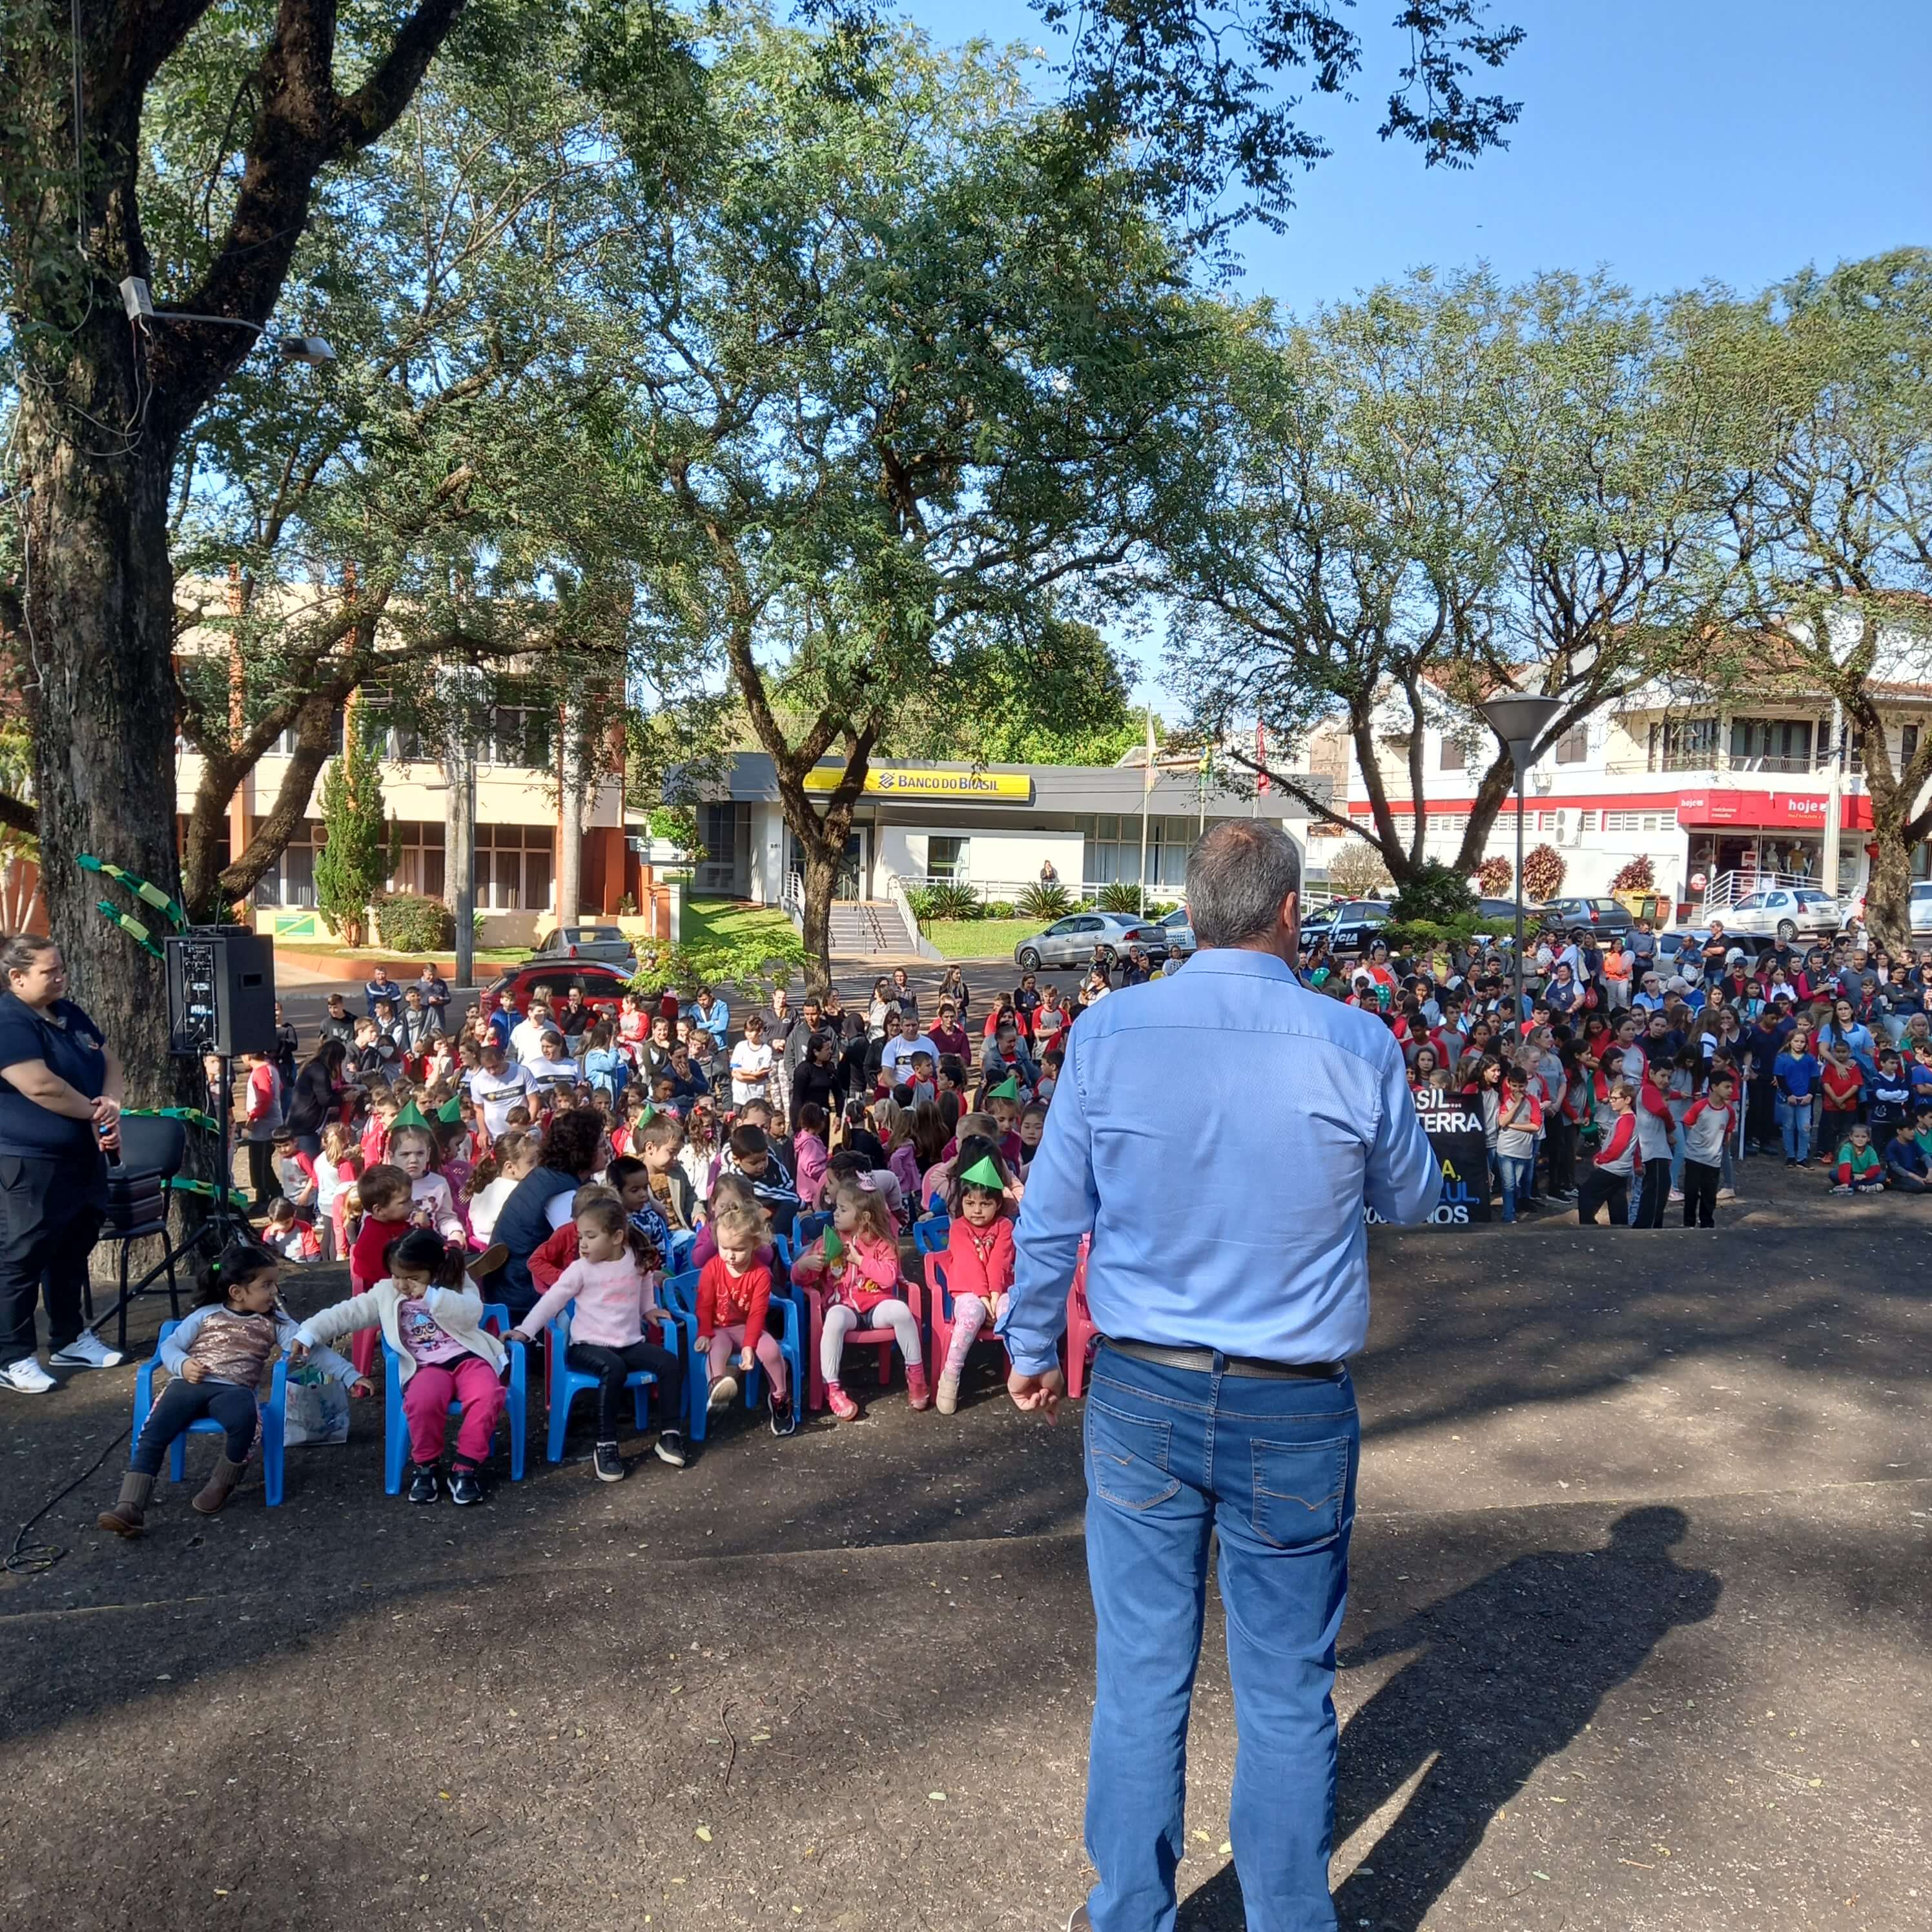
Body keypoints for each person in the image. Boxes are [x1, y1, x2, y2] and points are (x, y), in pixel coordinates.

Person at [999, 820, 1440, 1932]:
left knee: (1142, 1674)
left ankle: (1128, 1914)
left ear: (1189, 909)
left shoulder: (1109, 1031)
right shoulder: (1355, 1040)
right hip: (1291, 1402)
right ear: (1288, 911)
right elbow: (1413, 1197)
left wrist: (1033, 1343)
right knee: (1288, 1689)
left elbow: (1053, 1214)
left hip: (1142, 1390)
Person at [97, 1238, 367, 1534]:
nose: (275, 1292)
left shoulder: (276, 1323)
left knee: (247, 1422)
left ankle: (222, 1482)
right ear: (237, 1292)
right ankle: (131, 1504)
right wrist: (183, 1365)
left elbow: (312, 1349)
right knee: (155, 1430)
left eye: (275, 1284)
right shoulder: (205, 1315)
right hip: (188, 1384)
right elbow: (170, 1347)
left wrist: (349, 1375)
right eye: (266, 1286)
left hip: (234, 1390)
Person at [294, 1228, 509, 1505]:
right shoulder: (387, 1292)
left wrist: (433, 1296)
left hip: (468, 1357)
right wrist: (310, 1331)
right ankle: (427, 1465)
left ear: (435, 1271)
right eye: (397, 1276)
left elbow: (472, 1312)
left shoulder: (455, 1282)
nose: (404, 1285)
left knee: (488, 1394)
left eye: (413, 1278)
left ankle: (466, 1467)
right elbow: (348, 1312)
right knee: (422, 1402)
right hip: (425, 1365)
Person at [0, 934, 128, 1392]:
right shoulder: (9, 1020)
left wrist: (112, 1101)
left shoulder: (69, 1013)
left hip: (82, 1157)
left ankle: (69, 1337)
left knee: (73, 1248)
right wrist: (93, 1111)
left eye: (62, 969)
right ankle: (12, 1355)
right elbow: (39, 1085)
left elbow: (109, 1059)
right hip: (30, 1160)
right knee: (23, 1254)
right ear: (17, 978)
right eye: (48, 972)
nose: (60, 977)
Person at [507, 1193, 686, 1479]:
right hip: (586, 1346)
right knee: (612, 1369)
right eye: (581, 1237)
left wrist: (649, 1309)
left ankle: (669, 1435)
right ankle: (605, 1445)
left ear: (616, 1237)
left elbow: (644, 1281)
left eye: (590, 1237)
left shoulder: (634, 1258)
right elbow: (552, 1300)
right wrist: (525, 1331)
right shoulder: (580, 1270)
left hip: (627, 1343)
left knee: (669, 1363)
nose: (583, 1244)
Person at [790, 1178, 928, 1419]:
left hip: (876, 1306)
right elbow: (800, 1281)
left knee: (902, 1312)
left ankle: (916, 1374)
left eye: (843, 1210)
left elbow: (888, 1278)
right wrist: (804, 1265)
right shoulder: (829, 1242)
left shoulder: (882, 1244)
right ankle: (832, 1388)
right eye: (837, 1208)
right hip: (843, 1307)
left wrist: (861, 1260)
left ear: (864, 1217)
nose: (836, 1213)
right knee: (833, 1320)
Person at [697, 1199, 793, 1434]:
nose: (730, 1256)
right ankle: (717, 1389)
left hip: (748, 1326)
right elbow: (704, 1303)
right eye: (724, 1248)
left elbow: (758, 1313)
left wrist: (749, 1346)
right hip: (719, 1328)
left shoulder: (761, 1273)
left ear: (754, 1244)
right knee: (715, 1347)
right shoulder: (712, 1267)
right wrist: (703, 1332)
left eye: (738, 1250)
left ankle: (780, 1398)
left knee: (771, 1351)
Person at [935, 1154, 1015, 1413]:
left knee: (1011, 1309)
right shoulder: (959, 1227)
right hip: (967, 1292)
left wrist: (993, 1296)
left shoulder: (1004, 1226)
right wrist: (982, 1298)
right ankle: (951, 1374)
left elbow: (1000, 1261)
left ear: (997, 1204)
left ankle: (1023, 1369)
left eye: (985, 1204)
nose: (977, 1210)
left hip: (998, 1288)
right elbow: (969, 1262)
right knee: (971, 1314)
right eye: (970, 1203)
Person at [1680, 1072, 1737, 1228]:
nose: (1731, 1090)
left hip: (1714, 1160)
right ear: (1714, 1087)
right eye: (1727, 1087)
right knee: (1691, 1193)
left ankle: (1707, 1223)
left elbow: (1729, 1131)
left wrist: (1723, 1144)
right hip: (1695, 1157)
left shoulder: (1729, 1111)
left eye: (1731, 1087)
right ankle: (1688, 1224)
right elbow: (1688, 1121)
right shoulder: (1700, 1106)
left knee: (1709, 1194)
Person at [1577, 1082, 1638, 1226]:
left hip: (1613, 1168)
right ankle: (1620, 1227)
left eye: (1615, 1099)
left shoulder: (1627, 1120)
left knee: (1586, 1194)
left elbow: (1618, 1145)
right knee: (1617, 1200)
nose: (1611, 1102)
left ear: (1627, 1100)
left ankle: (1588, 1227)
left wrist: (1601, 1159)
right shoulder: (1626, 1119)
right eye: (1610, 1098)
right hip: (1620, 1169)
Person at [728, 1012, 775, 1107]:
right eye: (747, 1031)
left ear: (760, 1031)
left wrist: (743, 1077)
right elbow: (735, 1071)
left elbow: (761, 1075)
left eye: (751, 1031)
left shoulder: (766, 1050)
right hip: (739, 1095)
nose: (748, 1034)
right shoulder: (740, 1046)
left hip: (756, 1095)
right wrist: (752, 1073)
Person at [1831, 1122, 1884, 1195]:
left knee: (1882, 1177)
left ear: (1868, 1139)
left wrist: (1865, 1176)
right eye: (1857, 1136)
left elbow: (1876, 1168)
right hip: (1850, 1176)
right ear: (1851, 1137)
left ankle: (1856, 1186)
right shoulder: (1847, 1148)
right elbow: (1845, 1166)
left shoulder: (1870, 1150)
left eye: (1864, 1137)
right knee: (1833, 1174)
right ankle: (1864, 1188)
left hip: (1864, 1176)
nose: (1860, 1139)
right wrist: (1846, 1182)